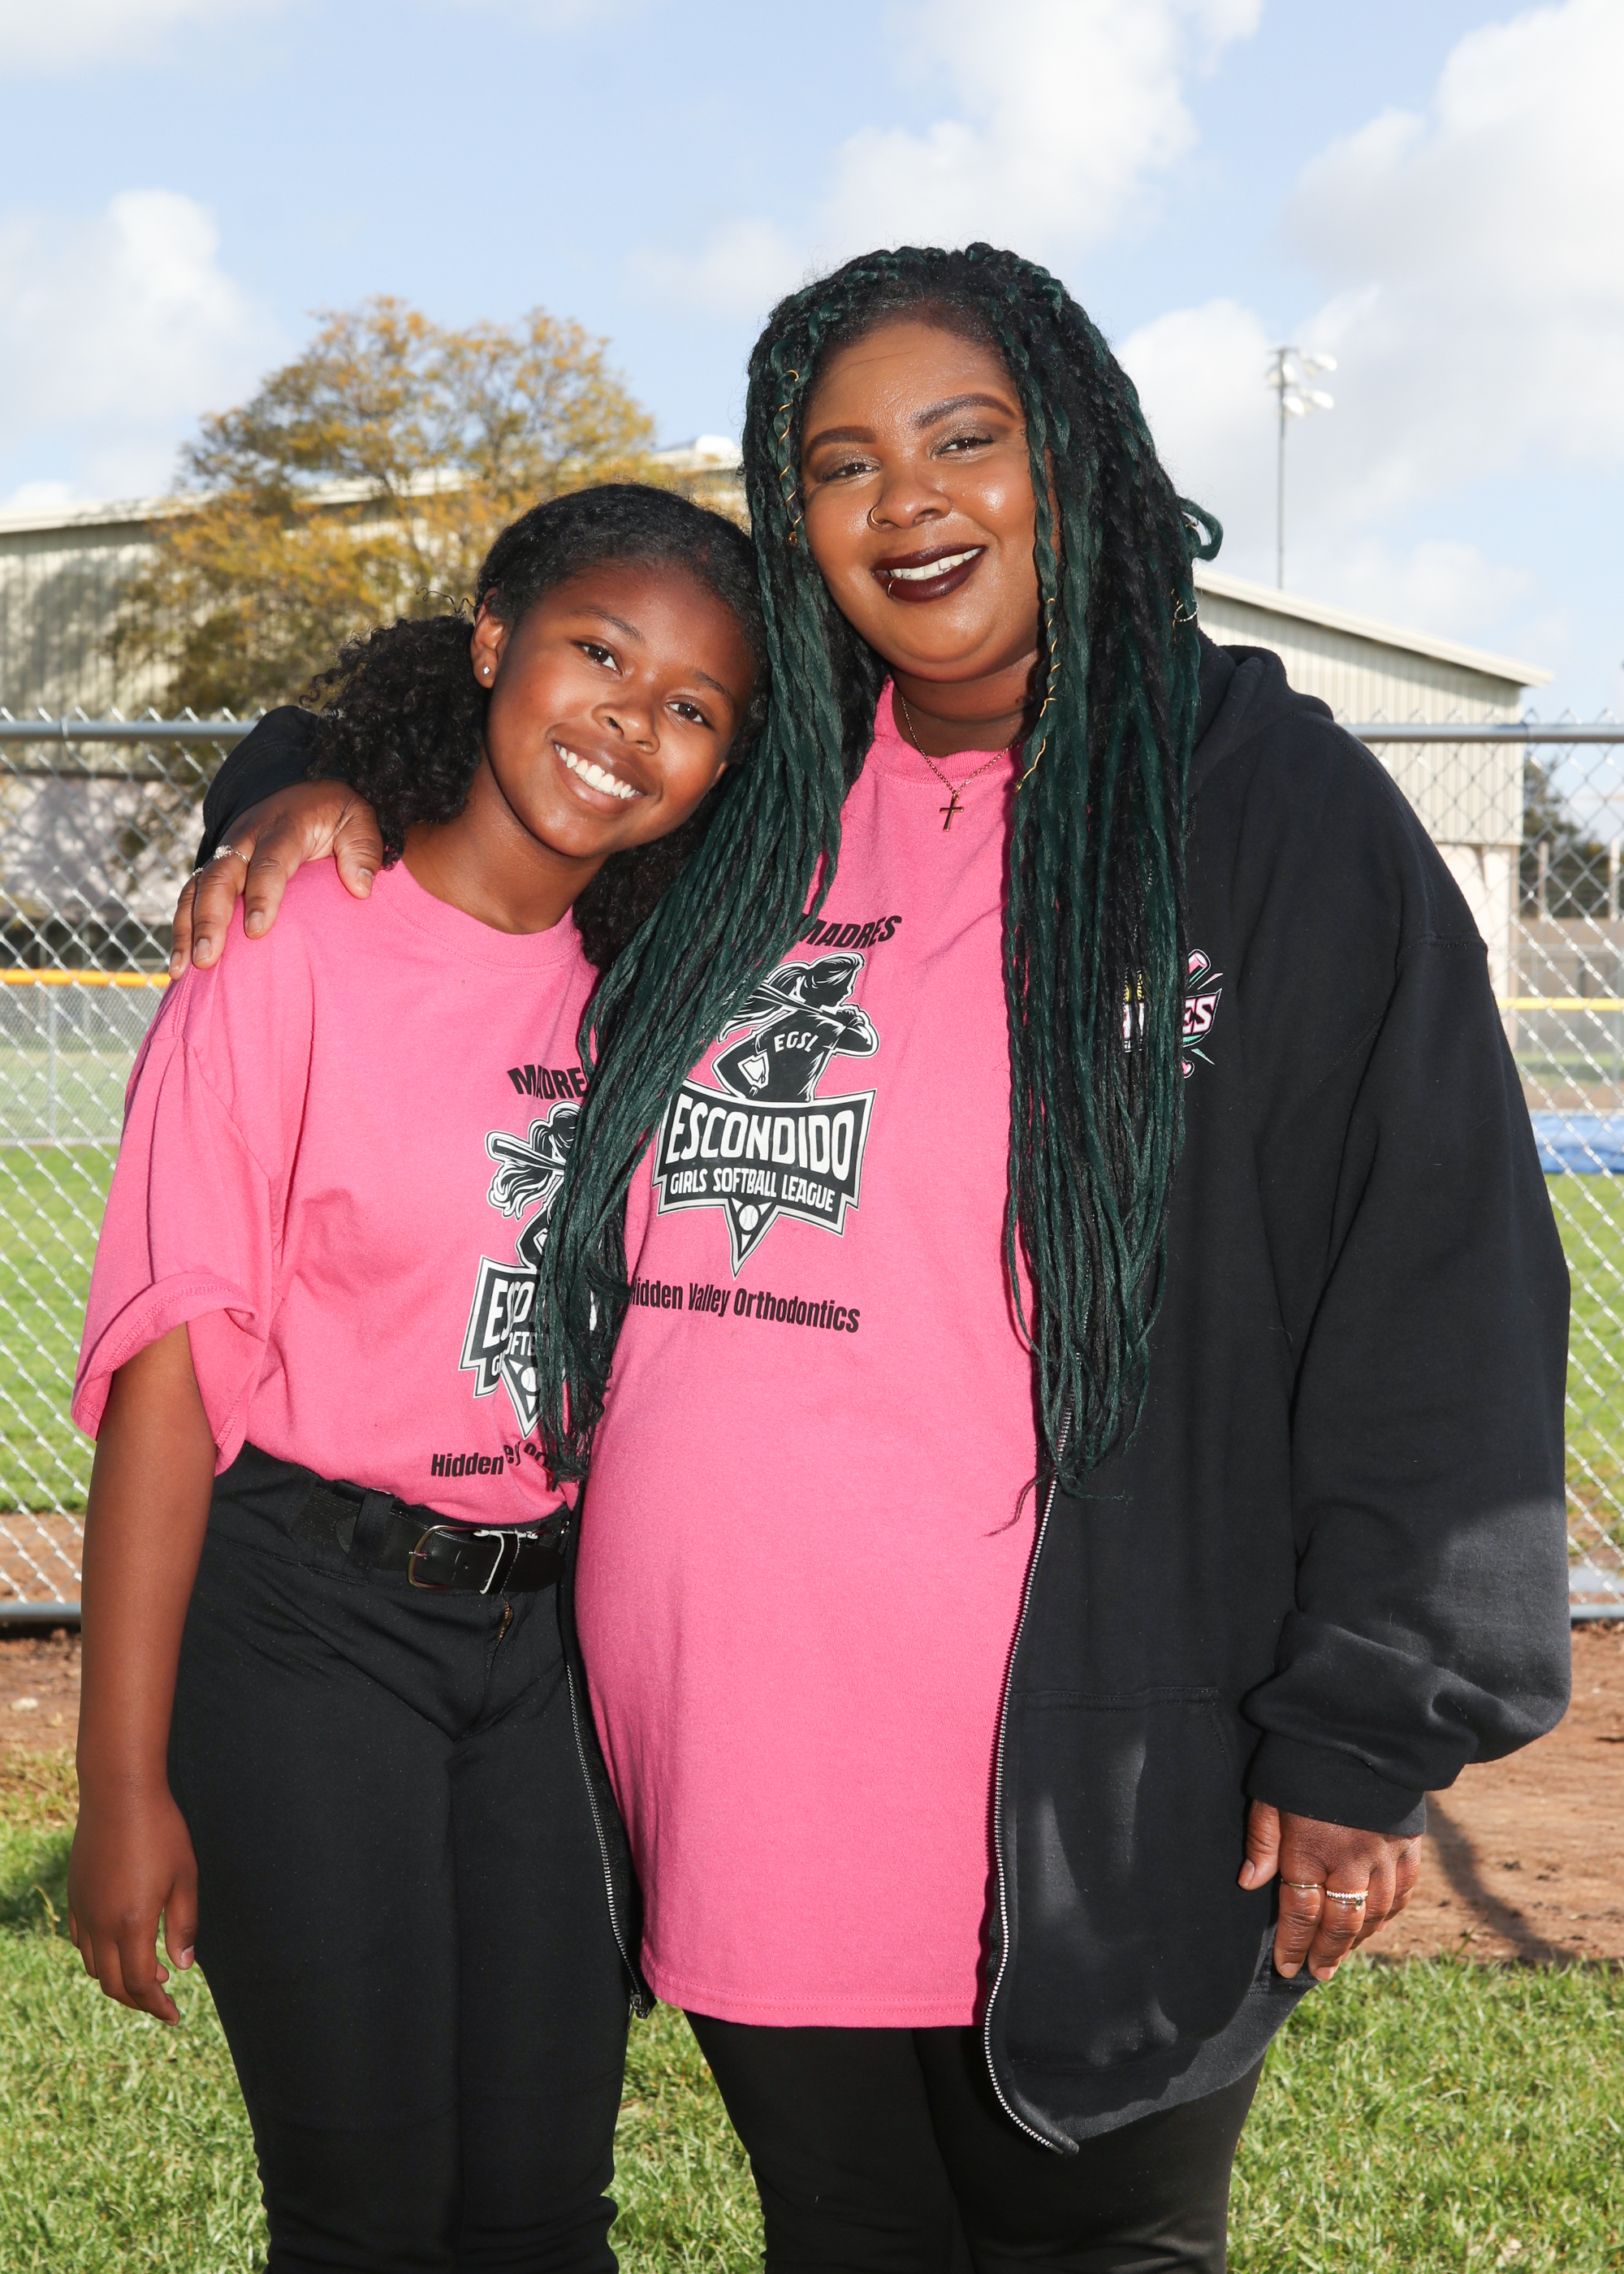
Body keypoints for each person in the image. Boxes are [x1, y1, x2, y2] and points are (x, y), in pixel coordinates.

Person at [179, 245, 1571, 2274]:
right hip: (733, 1762)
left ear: (1072, 452)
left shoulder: (1268, 814)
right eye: (840, 463)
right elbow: (495, 715)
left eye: (961, 437)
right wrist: (297, 784)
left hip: (1090, 1775)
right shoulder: (758, 782)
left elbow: (1434, 1285)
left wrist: (1364, 1725)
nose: (906, 499)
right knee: (836, 2229)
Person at [68, 484, 765, 2274]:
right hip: (308, 1624)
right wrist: (119, 1780)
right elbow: (168, 1378)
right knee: (365, 2223)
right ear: (492, 643)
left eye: (693, 705)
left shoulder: (660, 986)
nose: (631, 722)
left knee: (543, 2216)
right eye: (598, 652)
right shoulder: (291, 934)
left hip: (552, 1653)